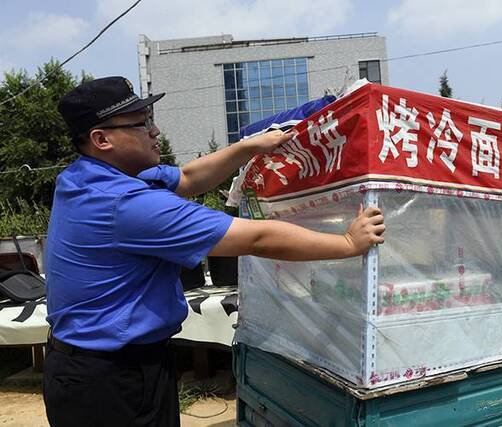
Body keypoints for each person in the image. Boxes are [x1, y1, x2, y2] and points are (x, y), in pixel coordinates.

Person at [43, 76, 385, 426]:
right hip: (110, 379)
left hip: (91, 365)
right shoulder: (126, 204)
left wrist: (250, 146)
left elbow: (189, 177)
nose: (156, 130)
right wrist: (346, 243)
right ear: (102, 139)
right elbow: (256, 239)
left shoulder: (91, 177)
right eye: (142, 122)